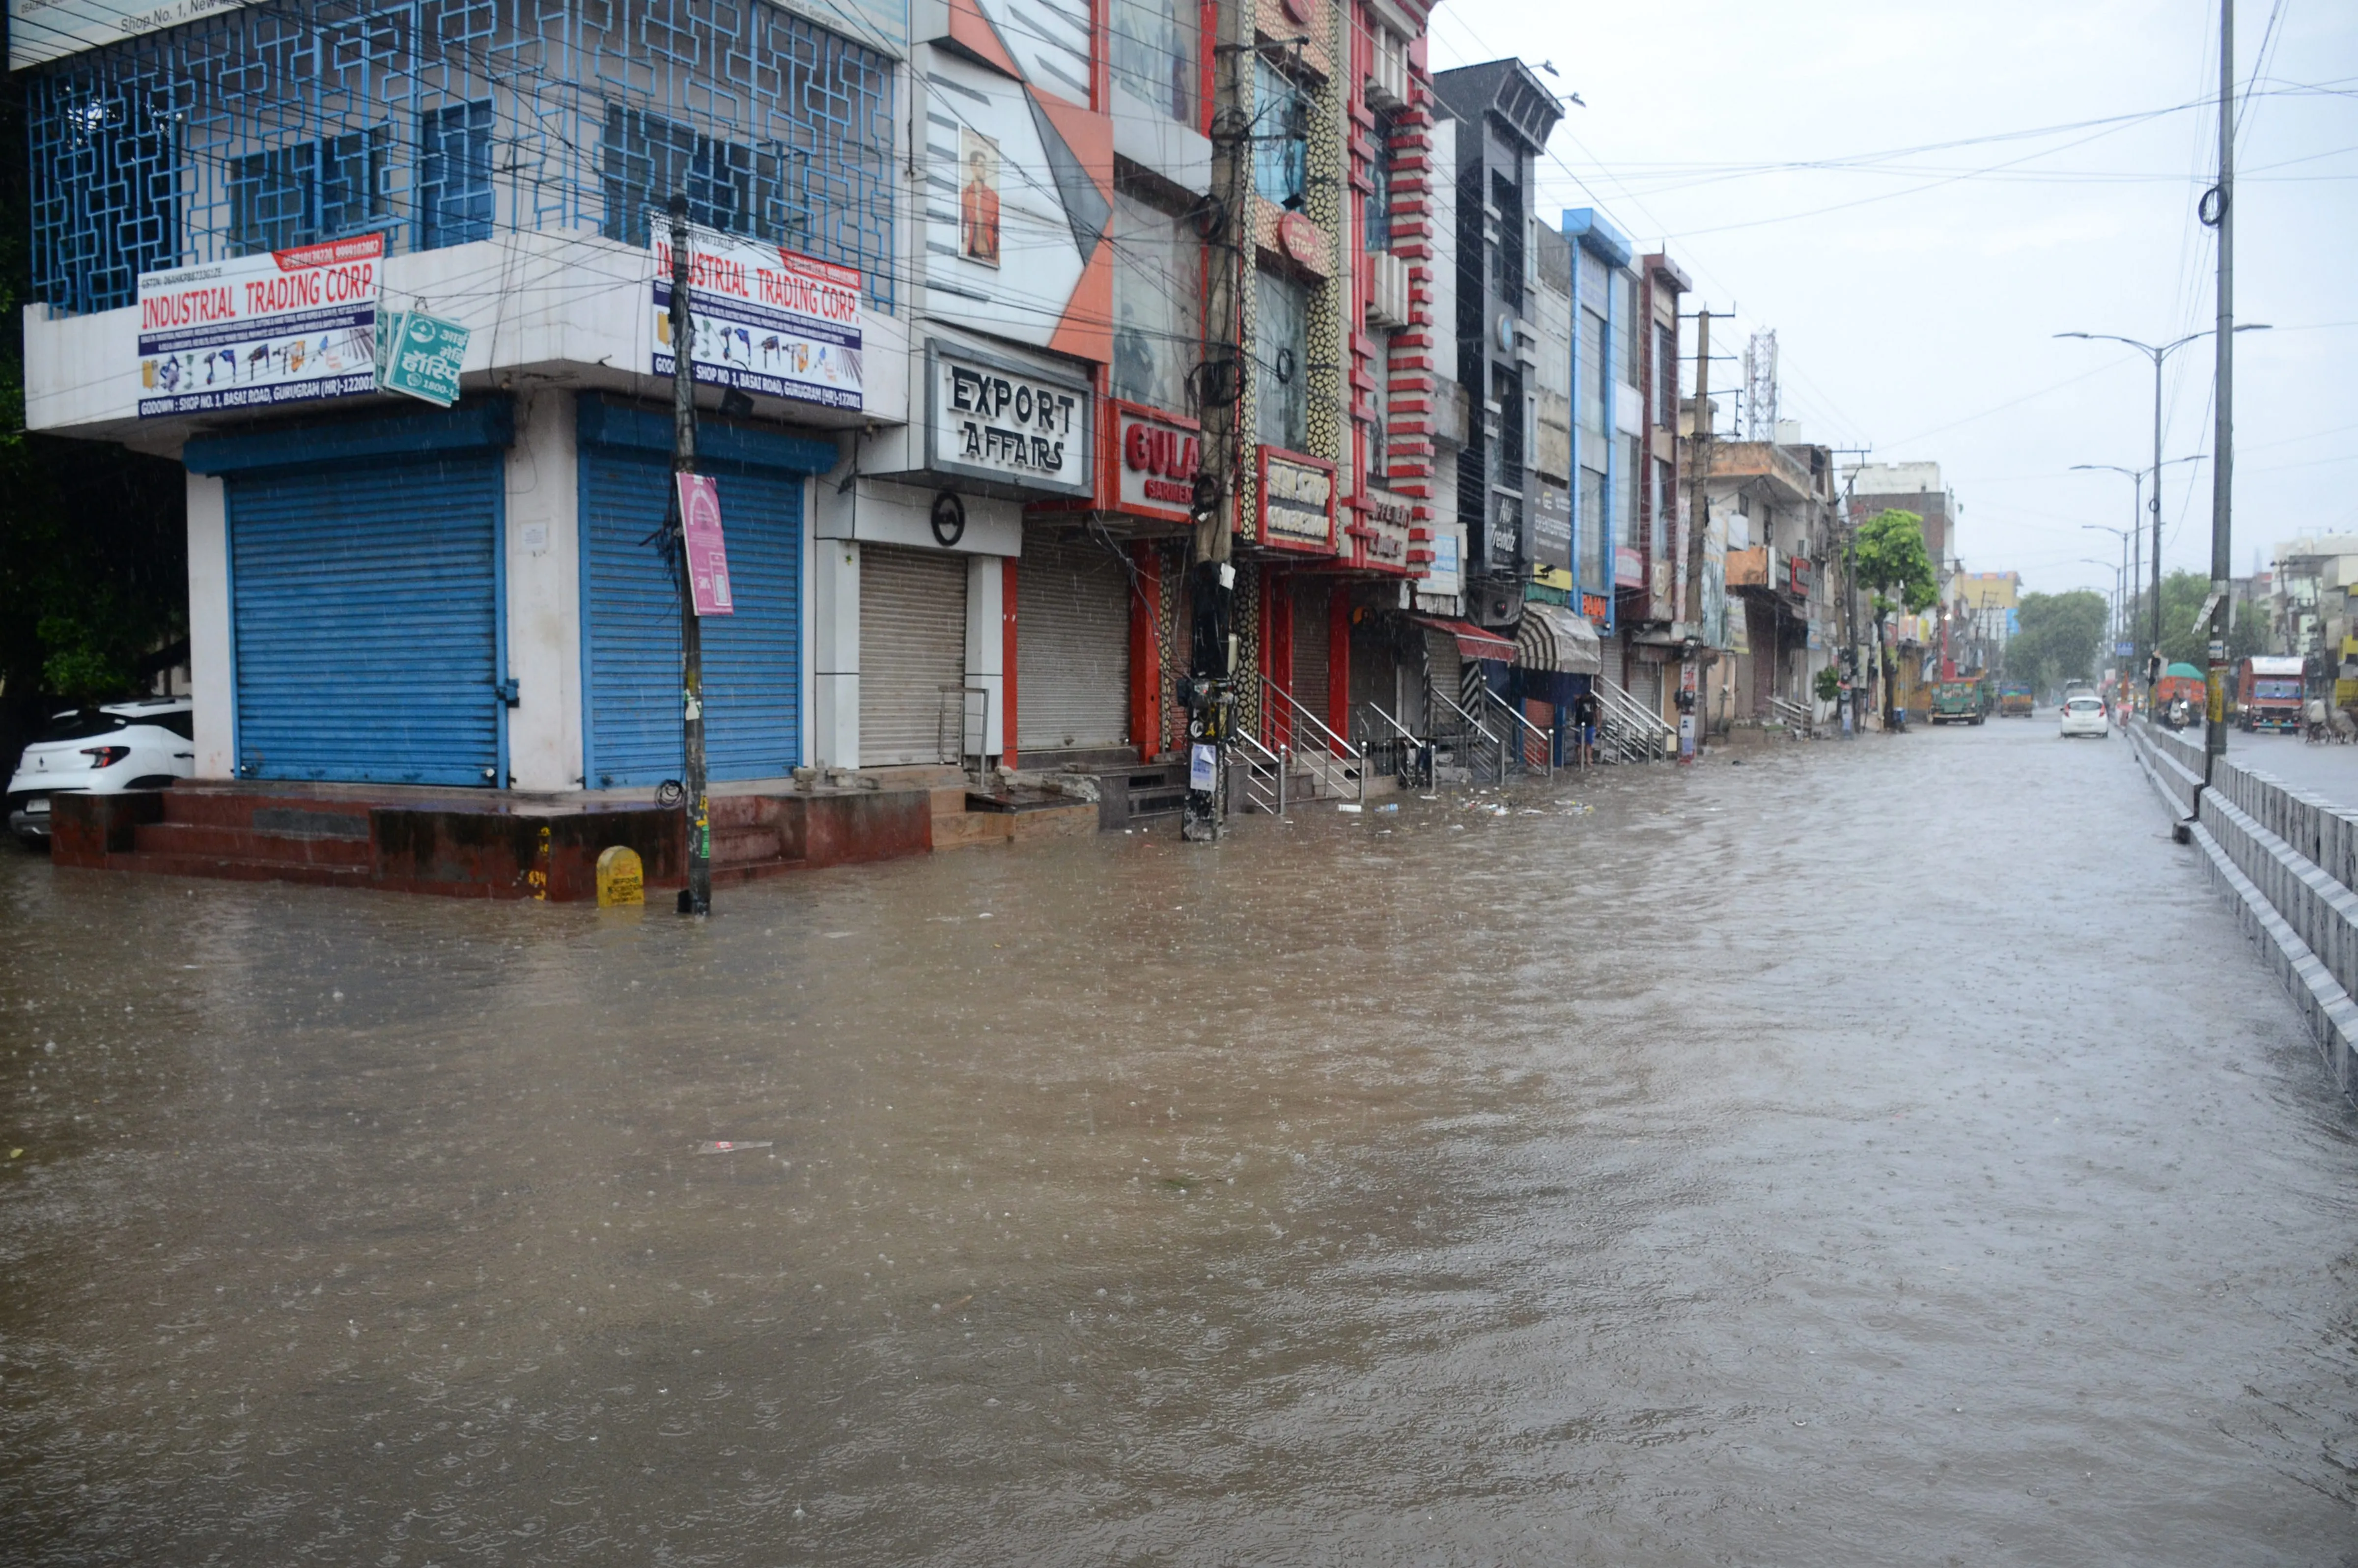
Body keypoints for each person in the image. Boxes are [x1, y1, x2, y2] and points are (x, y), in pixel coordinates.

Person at [1570, 687, 1600, 766]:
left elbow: (1596, 711)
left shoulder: (1592, 700)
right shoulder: (1579, 701)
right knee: (1580, 744)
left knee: (1589, 744)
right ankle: (1580, 760)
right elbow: (1573, 708)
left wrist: (1598, 723)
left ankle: (1588, 760)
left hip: (1590, 724)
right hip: (1580, 724)